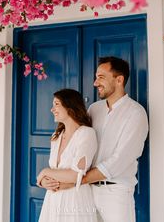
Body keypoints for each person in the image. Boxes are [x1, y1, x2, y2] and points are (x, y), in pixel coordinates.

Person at [82, 56, 149, 222]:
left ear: (119, 80)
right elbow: (81, 144)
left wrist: (78, 180)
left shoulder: (136, 113)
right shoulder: (93, 109)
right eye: (96, 77)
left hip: (115, 194)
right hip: (86, 192)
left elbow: (121, 159)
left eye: (101, 77)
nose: (95, 83)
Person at [36, 88, 98, 222]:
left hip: (74, 201)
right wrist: (43, 182)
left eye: (56, 104)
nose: (52, 109)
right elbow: (56, 172)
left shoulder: (86, 134)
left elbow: (76, 175)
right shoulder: (56, 136)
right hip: (52, 200)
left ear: (70, 107)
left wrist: (45, 172)